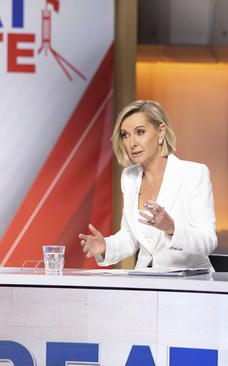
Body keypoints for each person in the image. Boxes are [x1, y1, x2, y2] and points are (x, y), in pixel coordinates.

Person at [79, 100, 217, 269]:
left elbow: (208, 241)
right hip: (146, 281)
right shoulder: (129, 177)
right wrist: (106, 246)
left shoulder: (194, 174)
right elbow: (130, 237)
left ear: (161, 132)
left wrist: (172, 228)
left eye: (140, 132)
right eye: (125, 135)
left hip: (189, 285)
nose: (132, 143)